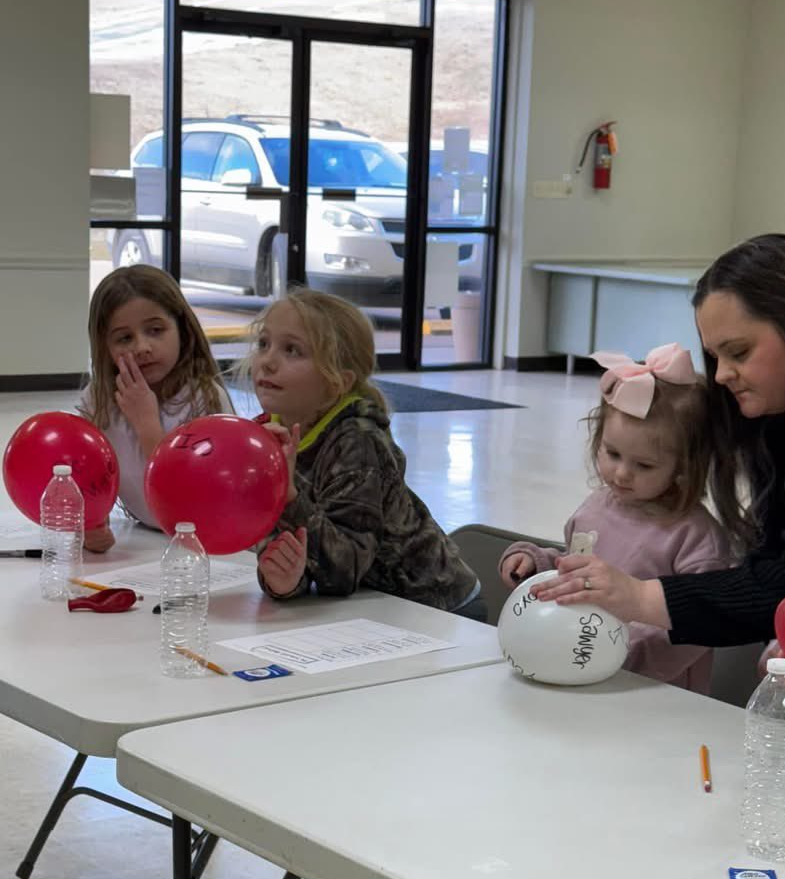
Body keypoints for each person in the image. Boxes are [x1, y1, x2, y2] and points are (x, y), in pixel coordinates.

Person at [534, 234, 785, 654]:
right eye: (714, 357)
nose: (723, 374)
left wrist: (641, 597)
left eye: (739, 352)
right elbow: (784, 555)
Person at [499, 343, 731, 692]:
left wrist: (621, 654)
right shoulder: (596, 507)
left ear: (684, 465)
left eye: (644, 465)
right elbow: (573, 567)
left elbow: (699, 624)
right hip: (581, 670)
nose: (621, 474)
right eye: (612, 453)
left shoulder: (696, 538)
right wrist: (537, 565)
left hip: (653, 694)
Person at [247, 289, 485, 619]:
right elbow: (283, 548)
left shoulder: (357, 441)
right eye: (263, 344)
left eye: (292, 350)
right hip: (365, 607)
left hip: (436, 608)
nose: (267, 361)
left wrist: (288, 498)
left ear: (337, 382)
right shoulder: (266, 433)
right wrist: (283, 581)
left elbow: (344, 567)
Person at [79, 265, 231, 552]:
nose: (142, 347)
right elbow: (83, 478)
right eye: (124, 338)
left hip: (203, 541)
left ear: (182, 330)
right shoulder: (99, 398)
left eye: (156, 330)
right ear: (105, 347)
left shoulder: (205, 398)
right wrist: (90, 525)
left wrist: (146, 422)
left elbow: (188, 497)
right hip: (146, 541)